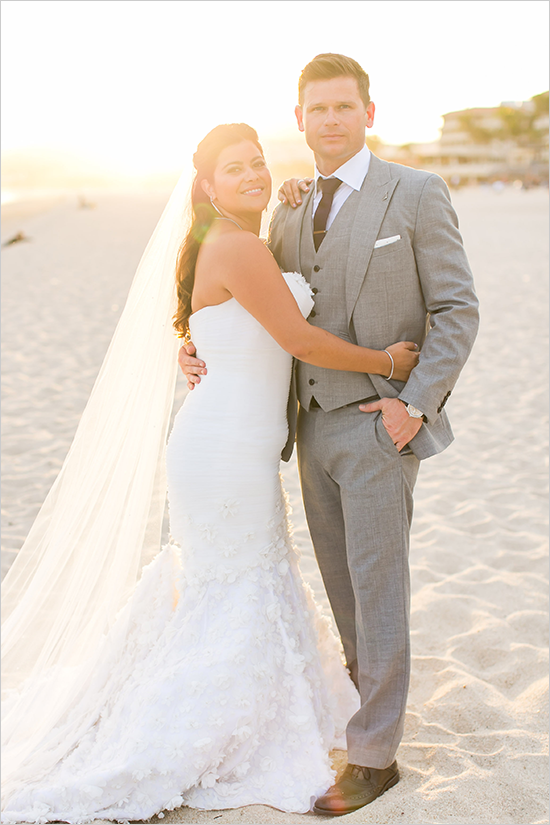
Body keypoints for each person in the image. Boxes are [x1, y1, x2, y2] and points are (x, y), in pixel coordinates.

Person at [1, 123, 420, 822]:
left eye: (259, 162)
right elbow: (297, 338)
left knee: (235, 581)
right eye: (236, 168)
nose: (252, 174)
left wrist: (190, 347)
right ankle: (200, 718)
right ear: (208, 186)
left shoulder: (230, 239)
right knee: (236, 583)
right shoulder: (236, 245)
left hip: (230, 443)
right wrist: (389, 363)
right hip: (223, 450)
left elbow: (216, 328)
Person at [180, 55, 480, 815]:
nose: (332, 120)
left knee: (380, 591)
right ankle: (361, 717)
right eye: (318, 109)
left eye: (345, 107)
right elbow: (253, 312)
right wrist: (194, 347)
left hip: (379, 427)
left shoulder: (415, 193)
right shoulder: (285, 208)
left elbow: (456, 310)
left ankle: (374, 756)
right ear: (301, 119)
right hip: (305, 434)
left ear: (369, 114)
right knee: (344, 592)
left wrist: (415, 404)